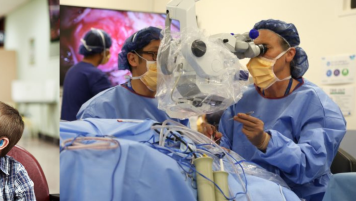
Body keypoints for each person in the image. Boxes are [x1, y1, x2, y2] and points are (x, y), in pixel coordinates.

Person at [217, 19, 346, 201]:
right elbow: (224, 150)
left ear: (289, 54)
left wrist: (265, 142)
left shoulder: (317, 104)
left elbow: (310, 166)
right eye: (252, 51)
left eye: (264, 49)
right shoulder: (241, 99)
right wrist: (212, 144)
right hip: (244, 193)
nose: (255, 58)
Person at [76, 26, 188, 126]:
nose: (164, 62)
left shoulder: (175, 108)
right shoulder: (100, 108)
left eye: (168, 56)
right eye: (156, 54)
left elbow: (188, 145)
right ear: (133, 59)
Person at [61, 28, 113, 121]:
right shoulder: (97, 76)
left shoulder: (72, 70)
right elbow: (110, 110)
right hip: (85, 131)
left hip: (68, 129)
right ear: (103, 52)